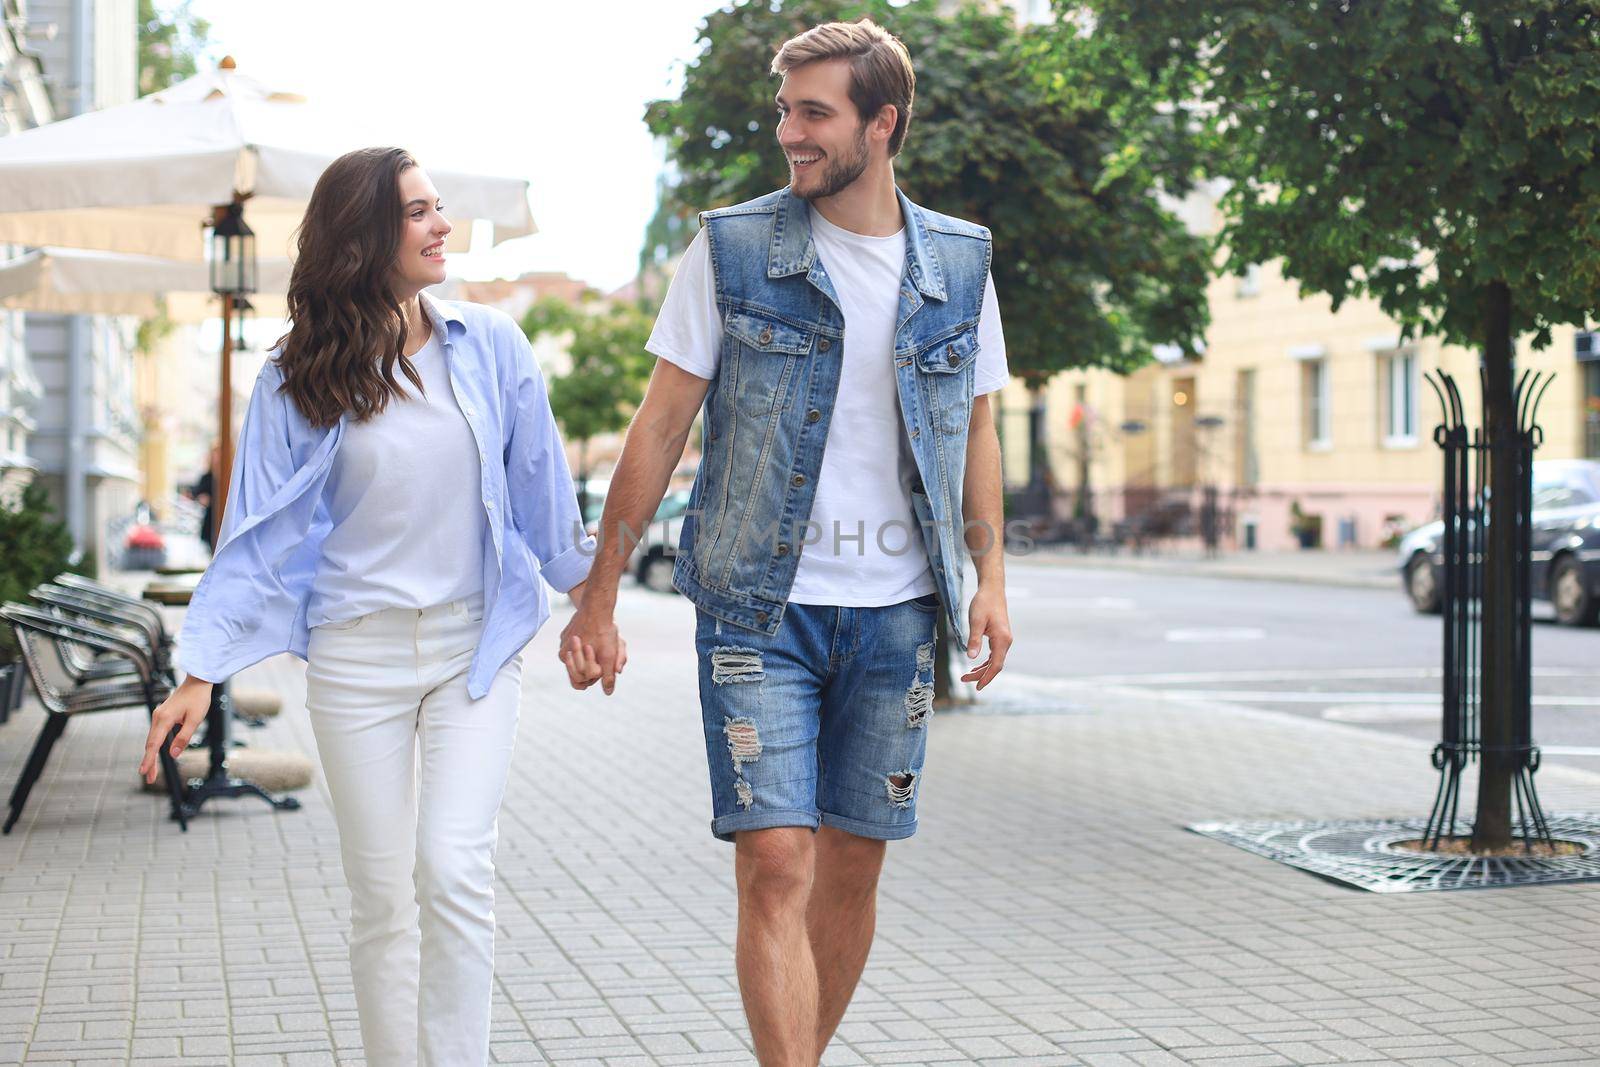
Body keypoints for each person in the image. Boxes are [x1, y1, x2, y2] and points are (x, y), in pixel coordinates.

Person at [563, 19, 1013, 1065]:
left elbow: (977, 424)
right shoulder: (731, 251)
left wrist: (991, 579)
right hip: (757, 608)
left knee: (854, 865)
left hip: (898, 613)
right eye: (784, 111)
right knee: (774, 859)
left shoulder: (959, 259)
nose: (789, 134)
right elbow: (660, 423)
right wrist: (599, 592)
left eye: (814, 113)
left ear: (881, 123)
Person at [138, 146, 608, 1067]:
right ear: (363, 237)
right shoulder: (296, 376)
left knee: (455, 870)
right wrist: (199, 673)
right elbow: (255, 538)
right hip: (357, 661)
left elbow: (548, 502)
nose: (442, 226)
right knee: (384, 895)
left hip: (475, 650)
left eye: (441, 206)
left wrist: (594, 606)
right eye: (419, 211)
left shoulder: (493, 346)